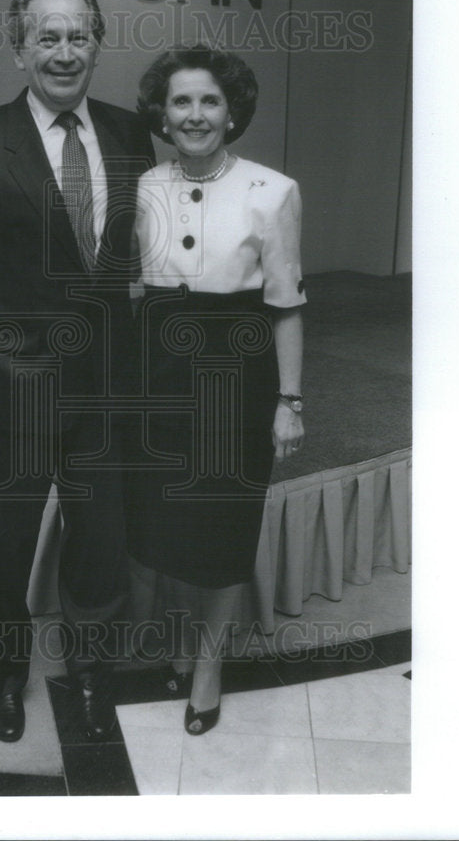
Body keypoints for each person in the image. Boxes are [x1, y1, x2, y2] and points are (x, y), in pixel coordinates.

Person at [0, 0, 155, 743]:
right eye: (47, 37)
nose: (65, 52)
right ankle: (2, 680)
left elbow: (129, 261)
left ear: (98, 43)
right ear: (18, 47)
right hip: (7, 380)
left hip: (106, 385)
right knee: (3, 543)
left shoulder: (129, 134)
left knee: (99, 536)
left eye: (78, 36)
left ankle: (90, 670)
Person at [127, 45, 305, 735]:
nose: (195, 114)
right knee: (163, 519)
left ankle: (208, 665)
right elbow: (133, 289)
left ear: (232, 113)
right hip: (158, 367)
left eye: (209, 101)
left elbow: (287, 303)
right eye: (181, 101)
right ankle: (174, 643)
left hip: (239, 364)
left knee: (225, 527)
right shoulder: (142, 187)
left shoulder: (274, 190)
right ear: (162, 114)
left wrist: (289, 402)